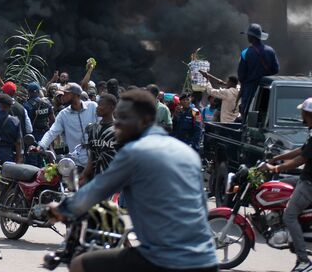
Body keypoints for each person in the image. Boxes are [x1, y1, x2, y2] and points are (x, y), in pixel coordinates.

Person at [46, 90, 217, 272]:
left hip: (163, 260)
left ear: (144, 121)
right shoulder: (187, 153)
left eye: (124, 118)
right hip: (206, 259)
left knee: (78, 265)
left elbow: (96, 189)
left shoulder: (135, 152)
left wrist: (60, 209)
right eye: (118, 116)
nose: (117, 123)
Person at [263, 98, 312, 272]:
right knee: (278, 185)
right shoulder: (311, 131)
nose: (301, 115)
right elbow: (300, 150)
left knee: (289, 215)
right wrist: (275, 158)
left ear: (309, 114)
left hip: (310, 182)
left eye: (303, 112)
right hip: (305, 177)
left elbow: (301, 159)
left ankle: (303, 260)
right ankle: (288, 233)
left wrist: (276, 167)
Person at [36, 83, 98, 169]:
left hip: (97, 160)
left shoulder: (92, 107)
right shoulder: (63, 114)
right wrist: (41, 146)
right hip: (76, 163)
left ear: (75, 95)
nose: (62, 96)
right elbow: (52, 132)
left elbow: (104, 127)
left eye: (65, 93)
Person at [237, 23, 279, 115]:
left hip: (250, 89)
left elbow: (241, 76)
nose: (247, 37)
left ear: (252, 37)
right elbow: (276, 69)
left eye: (248, 35)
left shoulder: (245, 52)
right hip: (267, 89)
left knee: (247, 115)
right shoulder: (270, 51)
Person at [80, 94, 117, 184]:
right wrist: (83, 176)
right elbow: (92, 156)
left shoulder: (120, 130)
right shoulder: (92, 129)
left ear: (111, 108)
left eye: (100, 104)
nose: (97, 107)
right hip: (95, 181)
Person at [24, 82, 55, 167]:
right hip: (45, 134)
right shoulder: (47, 103)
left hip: (33, 136)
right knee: (45, 158)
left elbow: (27, 123)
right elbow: (52, 120)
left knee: (33, 159)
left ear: (29, 92)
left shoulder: (27, 105)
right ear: (37, 91)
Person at [0, 94, 22, 164]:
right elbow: (18, 143)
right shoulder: (15, 121)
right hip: (8, 154)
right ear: (10, 106)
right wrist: (18, 159)